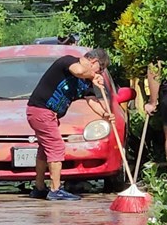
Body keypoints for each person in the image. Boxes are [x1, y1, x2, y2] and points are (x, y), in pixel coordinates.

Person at [27, 48, 113, 201]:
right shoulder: (68, 62)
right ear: (93, 62)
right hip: (41, 110)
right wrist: (94, 76)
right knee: (56, 147)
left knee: (44, 149)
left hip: (48, 114)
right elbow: (79, 71)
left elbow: (91, 100)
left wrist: (105, 114)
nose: (99, 73)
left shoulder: (86, 80)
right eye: (99, 69)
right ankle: (55, 190)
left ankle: (39, 187)